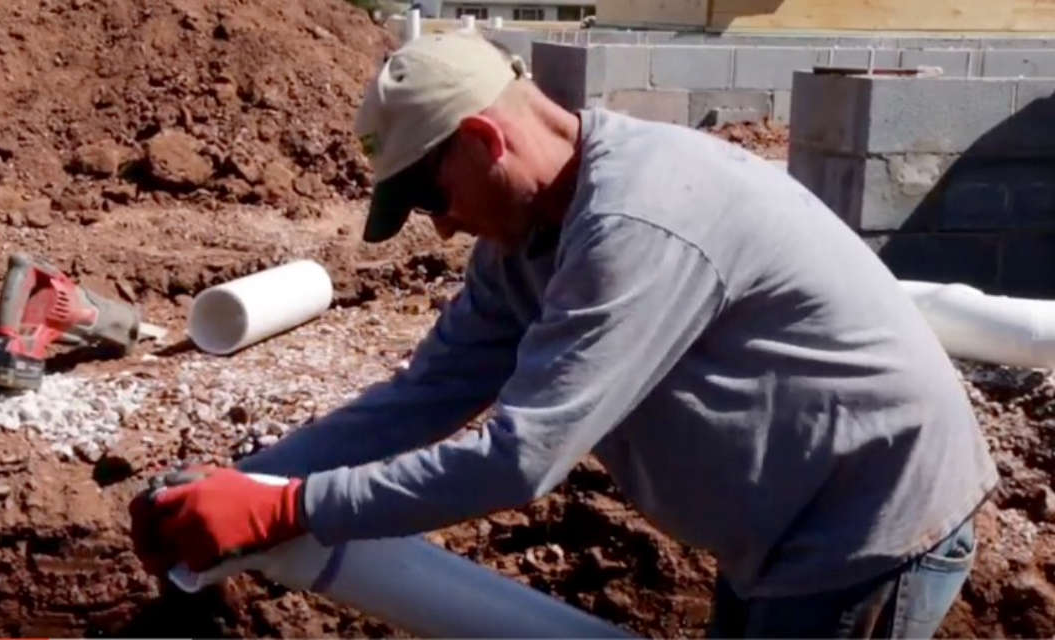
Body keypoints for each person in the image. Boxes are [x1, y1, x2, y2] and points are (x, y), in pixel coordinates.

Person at [128, 31, 1000, 638]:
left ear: (481, 138)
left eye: (432, 199)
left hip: (866, 522)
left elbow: (522, 459)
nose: (439, 228)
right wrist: (246, 481)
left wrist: (289, 507)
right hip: (781, 529)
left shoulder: (635, 222)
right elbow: (425, 396)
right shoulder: (526, 242)